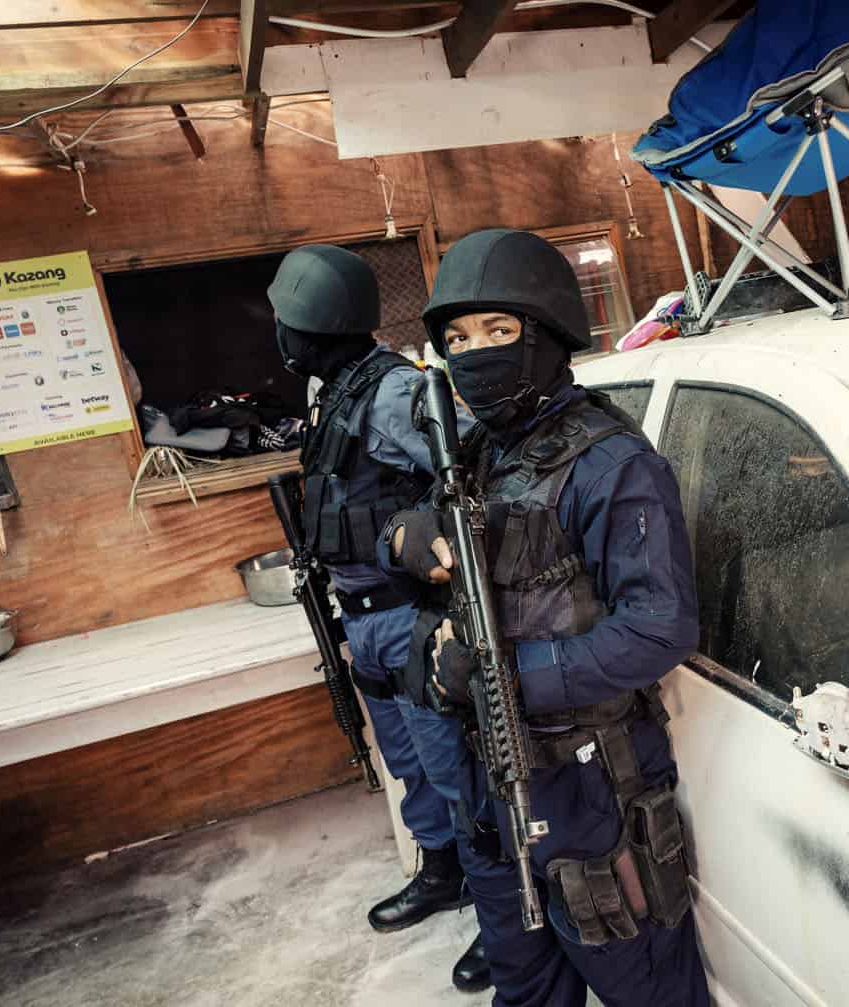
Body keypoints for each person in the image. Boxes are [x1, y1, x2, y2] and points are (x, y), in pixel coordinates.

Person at [384, 229, 709, 1006]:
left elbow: (660, 627)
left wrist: (503, 678)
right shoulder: (486, 452)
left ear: (548, 334)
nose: (475, 353)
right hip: (492, 776)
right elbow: (422, 535)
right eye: (457, 339)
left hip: (591, 785)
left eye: (498, 331)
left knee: (649, 989)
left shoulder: (610, 464)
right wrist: (406, 535)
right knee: (525, 983)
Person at [266, 244, 489, 993]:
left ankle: (500, 909)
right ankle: (444, 871)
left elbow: (472, 473)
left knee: (457, 770)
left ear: (315, 321)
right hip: (361, 616)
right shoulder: (334, 393)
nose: (280, 333)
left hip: (409, 614)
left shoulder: (394, 391)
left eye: (285, 319)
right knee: (409, 765)